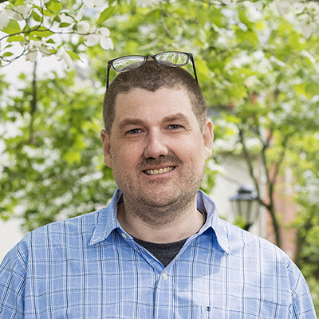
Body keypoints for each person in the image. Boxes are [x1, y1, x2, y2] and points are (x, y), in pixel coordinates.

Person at [0, 52, 316, 319]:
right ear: (108, 148)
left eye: (173, 126)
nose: (156, 148)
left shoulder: (275, 279)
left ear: (206, 139)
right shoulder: (32, 267)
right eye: (135, 131)